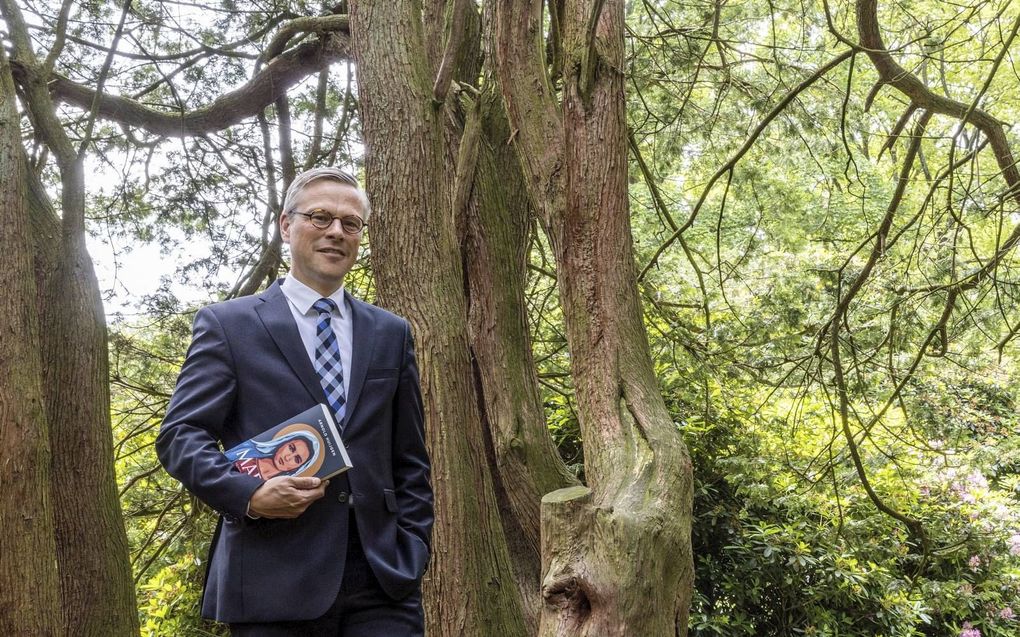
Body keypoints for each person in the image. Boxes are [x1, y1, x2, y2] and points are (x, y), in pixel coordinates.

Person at [157, 167, 433, 636]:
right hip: (271, 577)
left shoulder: (391, 332)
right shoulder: (228, 325)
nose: (335, 232)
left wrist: (413, 546)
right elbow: (181, 436)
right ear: (286, 225)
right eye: (320, 217)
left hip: (384, 580)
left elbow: (410, 457)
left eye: (350, 223)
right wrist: (250, 495)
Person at [225, 430, 319, 481]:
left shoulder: (281, 491)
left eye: (297, 459)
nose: (288, 457)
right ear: (284, 443)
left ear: (297, 468)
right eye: (291, 448)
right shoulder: (249, 448)